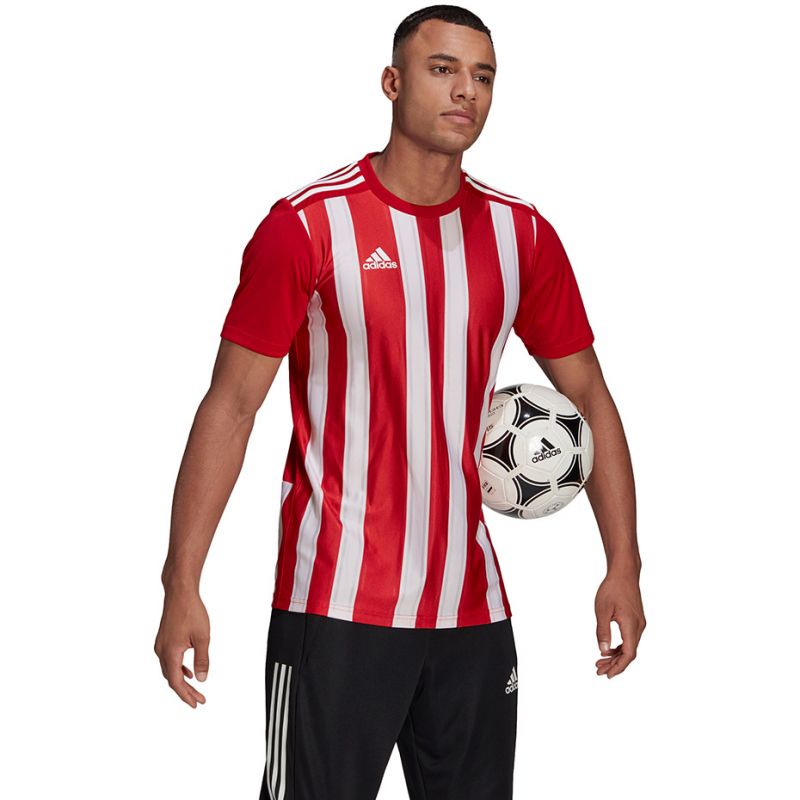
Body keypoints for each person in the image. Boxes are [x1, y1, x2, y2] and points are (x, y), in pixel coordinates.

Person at [154, 5, 646, 799]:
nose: (466, 91)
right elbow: (232, 407)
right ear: (391, 82)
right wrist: (182, 580)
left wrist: (623, 562)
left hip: (472, 613)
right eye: (442, 69)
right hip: (336, 608)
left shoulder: (522, 236)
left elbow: (587, 392)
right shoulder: (307, 226)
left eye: (483, 76)